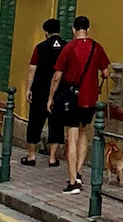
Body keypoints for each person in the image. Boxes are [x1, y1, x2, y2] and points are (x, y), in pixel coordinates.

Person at [46, 15, 110, 194]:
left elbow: (57, 75)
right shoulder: (96, 48)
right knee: (84, 134)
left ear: (74, 30)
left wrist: (50, 98)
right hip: (89, 99)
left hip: (72, 98)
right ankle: (80, 171)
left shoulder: (69, 48)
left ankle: (73, 181)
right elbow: (105, 72)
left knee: (71, 137)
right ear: (87, 29)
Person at [21, 18, 63, 167]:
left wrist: (28, 89)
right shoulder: (66, 47)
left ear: (46, 32)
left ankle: (31, 156)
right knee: (56, 124)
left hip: (40, 89)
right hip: (59, 91)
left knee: (35, 122)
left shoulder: (40, 48)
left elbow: (32, 69)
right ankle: (52, 158)